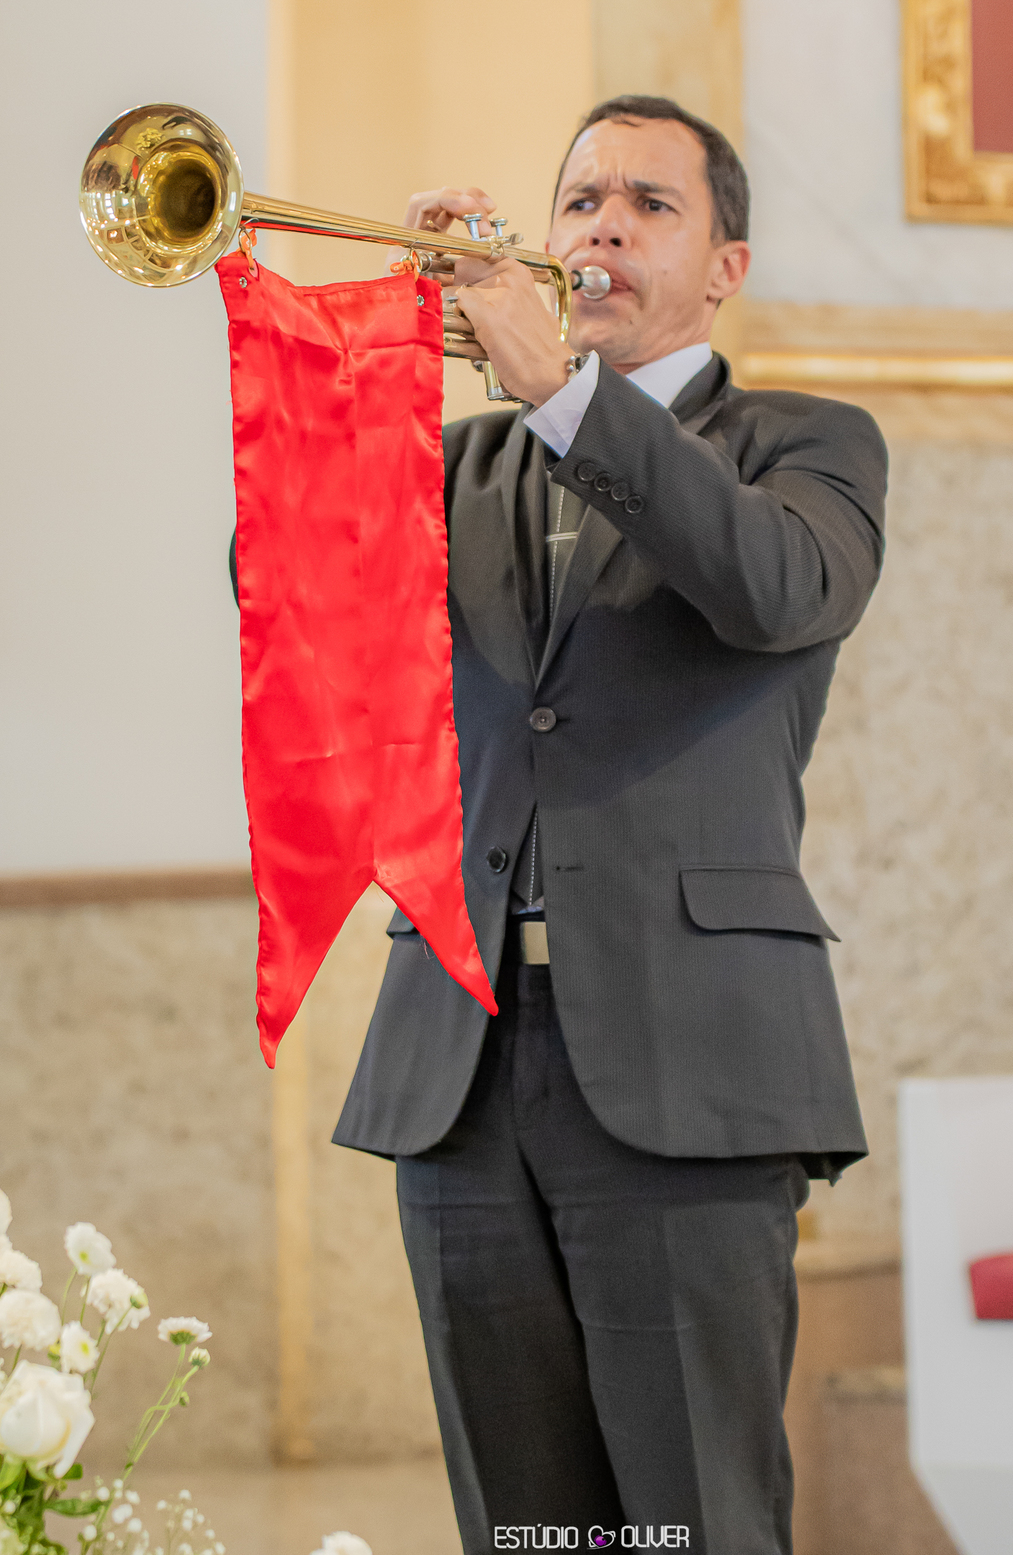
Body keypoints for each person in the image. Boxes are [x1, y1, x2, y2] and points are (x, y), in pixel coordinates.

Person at [333, 96, 888, 1554]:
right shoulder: (460, 466)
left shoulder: (808, 447)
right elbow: (296, 597)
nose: (603, 228)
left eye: (650, 203)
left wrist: (565, 394)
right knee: (525, 1529)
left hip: (689, 1061)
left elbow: (771, 588)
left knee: (693, 1521)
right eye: (580, 200)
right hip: (461, 1062)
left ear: (727, 267)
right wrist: (380, 359)